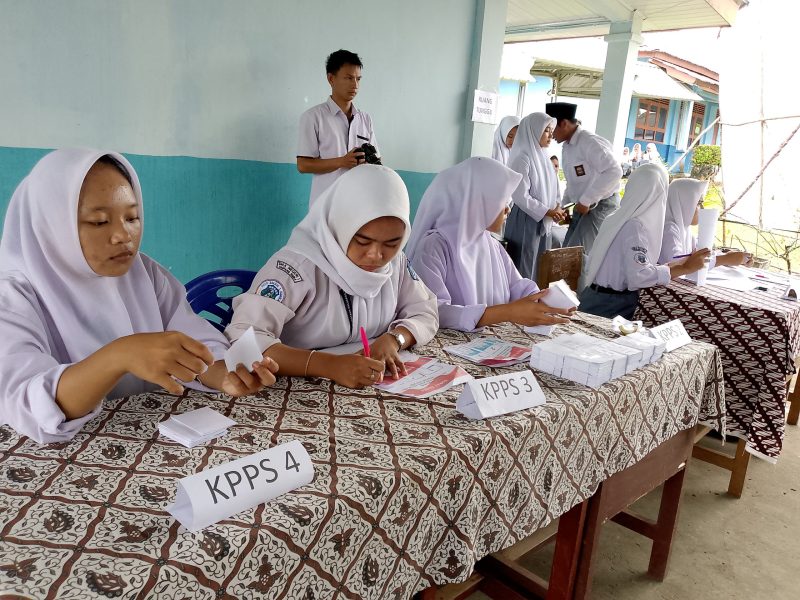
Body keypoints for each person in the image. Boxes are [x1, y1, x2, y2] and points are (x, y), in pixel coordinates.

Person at [0, 149, 278, 444]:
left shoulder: (142, 272)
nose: (123, 235)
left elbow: (197, 343)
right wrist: (118, 356)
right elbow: (25, 404)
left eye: (132, 217)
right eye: (99, 221)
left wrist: (226, 374)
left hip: (145, 441)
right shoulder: (12, 296)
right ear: (50, 225)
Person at [226, 164, 439, 388]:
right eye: (363, 241)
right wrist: (327, 365)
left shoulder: (396, 264)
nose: (376, 255)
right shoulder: (295, 267)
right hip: (291, 389)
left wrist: (395, 339)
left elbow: (425, 311)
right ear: (340, 225)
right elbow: (243, 338)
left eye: (392, 243)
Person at [406, 157, 573, 332]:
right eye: (502, 201)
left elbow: (517, 286)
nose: (508, 209)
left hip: (491, 341)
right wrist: (507, 312)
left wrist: (546, 299)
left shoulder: (491, 244)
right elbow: (434, 311)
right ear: (477, 203)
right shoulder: (434, 247)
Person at [578, 163, 711, 320]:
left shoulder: (617, 218)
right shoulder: (635, 227)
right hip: (609, 304)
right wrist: (685, 268)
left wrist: (678, 266)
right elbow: (639, 277)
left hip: (597, 297)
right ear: (660, 193)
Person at [297, 49, 379, 206]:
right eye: (348, 78)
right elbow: (303, 165)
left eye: (358, 79)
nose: (355, 85)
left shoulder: (365, 119)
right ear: (331, 79)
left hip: (358, 205)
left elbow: (377, 160)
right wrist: (342, 161)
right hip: (325, 206)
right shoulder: (313, 117)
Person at [546, 102, 622, 254]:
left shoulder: (589, 141)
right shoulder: (568, 146)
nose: (550, 134)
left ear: (564, 123)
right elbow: (573, 183)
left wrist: (586, 200)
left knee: (577, 257)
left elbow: (614, 171)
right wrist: (563, 206)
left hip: (600, 205)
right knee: (566, 252)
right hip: (582, 207)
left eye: (551, 128)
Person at [504, 112, 565, 280]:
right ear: (534, 130)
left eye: (551, 130)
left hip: (544, 219)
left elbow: (555, 189)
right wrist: (548, 211)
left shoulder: (544, 158)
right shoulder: (522, 158)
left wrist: (557, 208)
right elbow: (520, 196)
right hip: (525, 219)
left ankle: (535, 296)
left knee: (539, 267)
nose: (551, 135)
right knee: (523, 267)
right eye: (546, 130)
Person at [658, 178, 753, 268]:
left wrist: (730, 256)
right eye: (698, 203)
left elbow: (700, 253)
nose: (702, 208)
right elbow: (675, 264)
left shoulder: (685, 231)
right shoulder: (669, 229)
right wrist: (725, 259)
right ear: (684, 203)